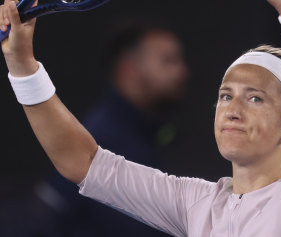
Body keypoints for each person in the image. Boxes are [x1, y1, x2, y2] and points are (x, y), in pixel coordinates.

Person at [0, 0, 281, 236]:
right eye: (226, 95)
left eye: (255, 98)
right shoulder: (194, 202)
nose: (233, 109)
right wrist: (23, 65)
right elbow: (82, 163)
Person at [35, 20, 189, 236]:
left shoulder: (145, 135)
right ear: (129, 70)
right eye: (167, 61)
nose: (181, 72)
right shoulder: (104, 140)